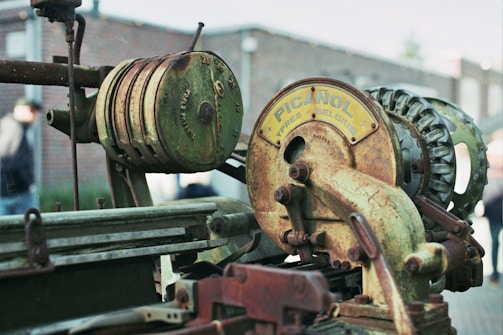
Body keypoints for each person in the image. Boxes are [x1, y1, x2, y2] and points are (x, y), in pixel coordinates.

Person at [0, 97, 40, 215]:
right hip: (18, 193)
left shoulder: (6, 124)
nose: (36, 116)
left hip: (5, 193)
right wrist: (29, 184)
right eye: (32, 111)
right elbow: (14, 162)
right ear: (21, 110)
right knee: (30, 228)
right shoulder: (16, 130)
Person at [483, 128, 503, 284]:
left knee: (495, 242)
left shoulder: (490, 176)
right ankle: (495, 274)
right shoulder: (492, 177)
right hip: (495, 212)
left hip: (494, 212)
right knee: (495, 242)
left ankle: (495, 275)